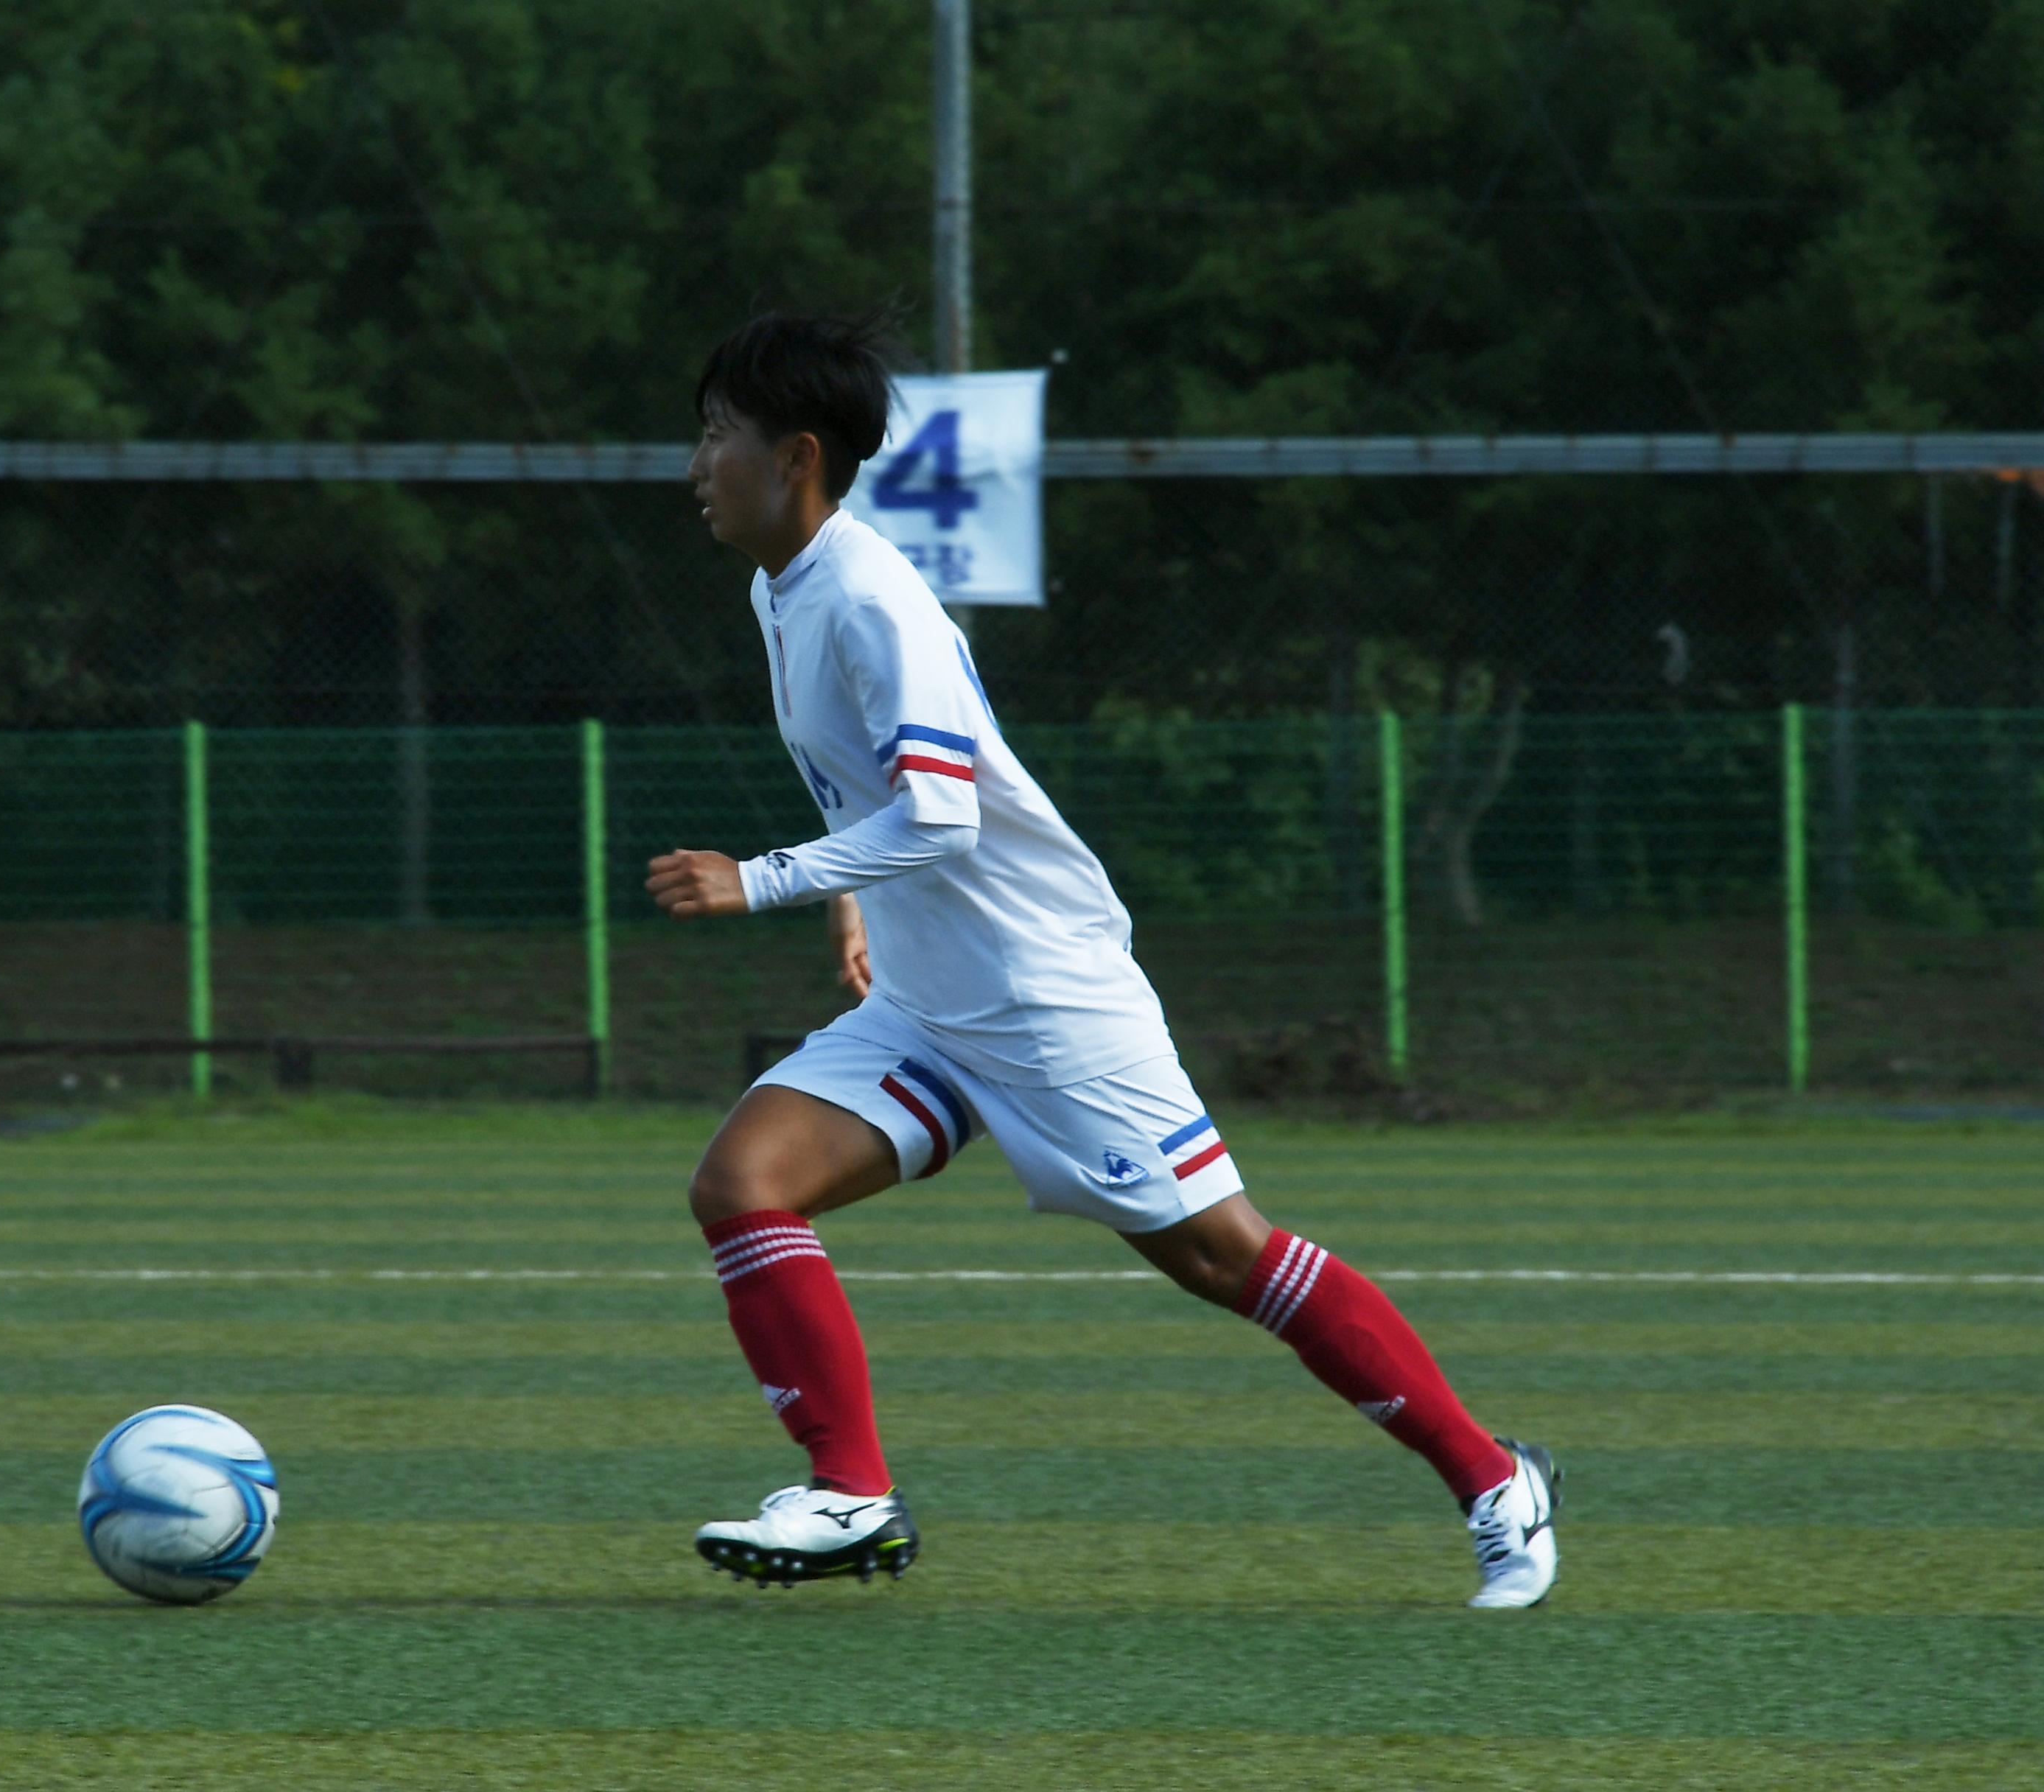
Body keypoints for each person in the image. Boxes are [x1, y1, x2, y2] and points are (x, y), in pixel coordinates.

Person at [647, 314, 1559, 1607]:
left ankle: (1491, 1479)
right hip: (926, 1002)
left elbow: (943, 809)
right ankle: (848, 1492)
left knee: (1220, 1256)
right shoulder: (779, 586)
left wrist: (769, 878)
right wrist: (852, 911)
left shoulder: (866, 594)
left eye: (712, 435)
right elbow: (880, 797)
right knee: (742, 1182)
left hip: (1038, 992)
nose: (693, 462)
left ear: (794, 456)